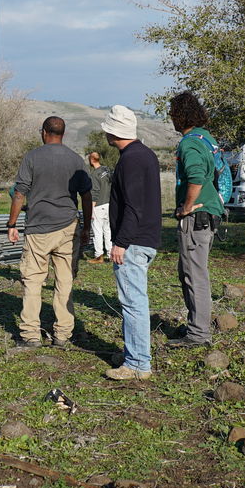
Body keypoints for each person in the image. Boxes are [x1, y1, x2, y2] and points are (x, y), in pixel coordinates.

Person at [6, 116, 93, 348]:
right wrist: (87, 227)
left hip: (38, 228)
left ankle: (30, 334)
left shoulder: (32, 157)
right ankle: (63, 334)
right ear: (62, 133)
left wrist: (12, 224)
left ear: (44, 132)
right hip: (67, 227)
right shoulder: (75, 159)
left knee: (33, 280)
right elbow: (86, 196)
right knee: (65, 280)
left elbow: (19, 193)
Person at [99, 106, 161, 380]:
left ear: (113, 131)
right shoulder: (146, 154)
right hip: (146, 238)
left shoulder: (130, 160)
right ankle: (134, 354)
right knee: (136, 300)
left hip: (133, 241)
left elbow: (133, 206)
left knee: (133, 302)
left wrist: (121, 242)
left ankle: (137, 364)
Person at [168, 91, 224, 348]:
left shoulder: (189, 143)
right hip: (210, 213)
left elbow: (196, 176)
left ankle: (198, 334)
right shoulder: (207, 138)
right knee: (192, 271)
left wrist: (185, 207)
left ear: (180, 115)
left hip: (196, 216)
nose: (170, 117)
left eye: (172, 113)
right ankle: (197, 325)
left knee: (194, 274)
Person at [86, 151, 114, 263]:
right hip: (109, 204)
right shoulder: (107, 170)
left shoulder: (94, 174)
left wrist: (91, 209)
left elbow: (95, 192)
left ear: (92, 160)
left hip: (99, 205)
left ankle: (99, 256)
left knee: (97, 231)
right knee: (108, 230)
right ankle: (111, 254)